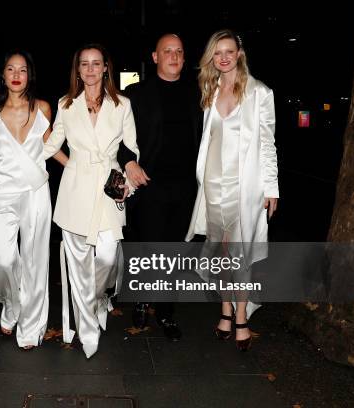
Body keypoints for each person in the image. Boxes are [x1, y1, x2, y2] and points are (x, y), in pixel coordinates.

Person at [43, 43, 139, 358]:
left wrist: (129, 181)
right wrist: (62, 159)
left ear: (105, 68)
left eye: (96, 63)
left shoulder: (122, 104)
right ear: (78, 69)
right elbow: (51, 143)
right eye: (84, 63)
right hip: (75, 188)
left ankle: (98, 299)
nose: (90, 69)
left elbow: (131, 149)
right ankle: (87, 331)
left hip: (110, 185)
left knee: (108, 257)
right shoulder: (66, 104)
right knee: (78, 266)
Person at [186, 29, 279, 351]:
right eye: (217, 52)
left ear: (239, 53)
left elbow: (267, 144)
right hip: (213, 185)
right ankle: (225, 310)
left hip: (245, 186)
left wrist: (272, 188)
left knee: (240, 255)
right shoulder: (210, 90)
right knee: (223, 253)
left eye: (229, 51)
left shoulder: (259, 93)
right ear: (212, 58)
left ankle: (241, 315)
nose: (223, 57)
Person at [117, 33, 203, 341]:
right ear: (155, 57)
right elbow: (118, 139)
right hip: (149, 184)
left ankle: (166, 311)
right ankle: (142, 298)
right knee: (148, 247)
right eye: (167, 51)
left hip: (185, 186)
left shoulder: (199, 92)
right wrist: (129, 163)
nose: (174, 56)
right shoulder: (135, 94)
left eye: (179, 51)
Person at [0, 50, 67, 350]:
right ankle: (11, 305)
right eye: (10, 69)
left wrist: (74, 168)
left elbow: (50, 147)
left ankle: (31, 327)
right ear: (3, 75)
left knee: (34, 261)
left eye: (22, 69)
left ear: (29, 75)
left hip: (35, 191)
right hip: (3, 193)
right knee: (2, 259)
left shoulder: (43, 107)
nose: (16, 74)